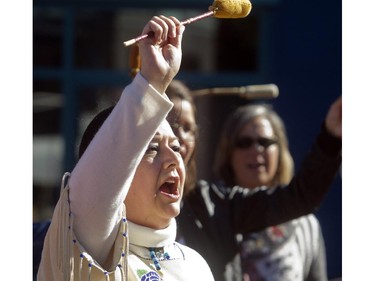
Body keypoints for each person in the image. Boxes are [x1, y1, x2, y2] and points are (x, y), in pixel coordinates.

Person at [37, 15, 215, 280]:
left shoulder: (196, 265)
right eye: (151, 148)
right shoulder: (86, 246)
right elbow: (94, 194)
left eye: (176, 148)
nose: (173, 159)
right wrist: (152, 81)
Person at [165, 80, 342, 281]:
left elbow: (302, 196)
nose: (178, 136)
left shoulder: (214, 205)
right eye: (172, 124)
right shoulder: (126, 201)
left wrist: (331, 138)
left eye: (188, 128)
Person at [214, 103, 332, 280]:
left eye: (265, 142)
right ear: (228, 153)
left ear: (280, 150)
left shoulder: (305, 224)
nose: (256, 150)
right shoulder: (212, 214)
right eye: (244, 143)